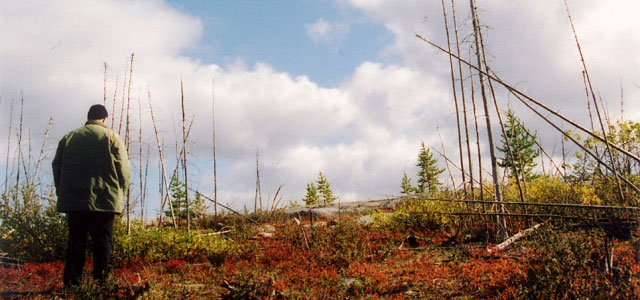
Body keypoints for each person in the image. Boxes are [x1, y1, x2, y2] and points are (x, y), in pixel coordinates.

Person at [52, 104, 130, 287]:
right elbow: (124, 170)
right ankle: (103, 285)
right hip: (105, 201)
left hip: (75, 201)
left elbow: (57, 166)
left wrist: (61, 190)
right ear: (104, 119)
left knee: (76, 242)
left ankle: (72, 286)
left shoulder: (69, 138)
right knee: (103, 243)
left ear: (89, 117)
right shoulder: (112, 137)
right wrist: (121, 193)